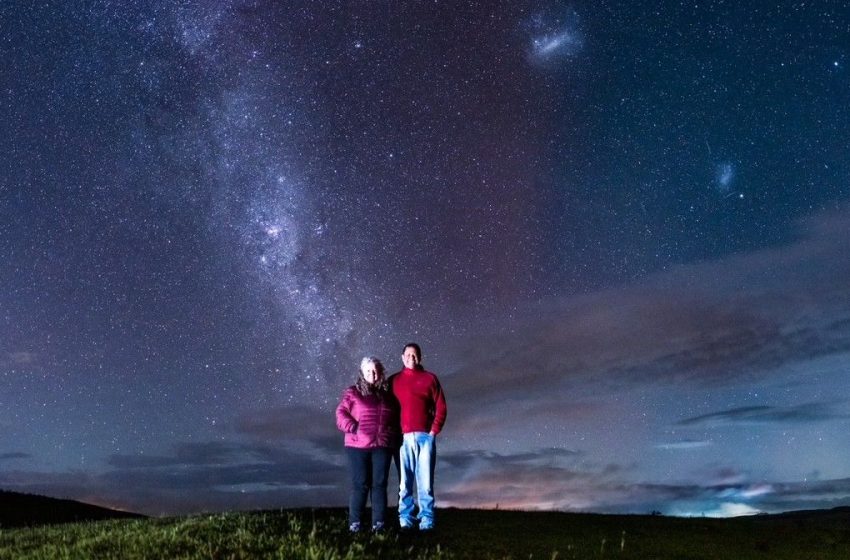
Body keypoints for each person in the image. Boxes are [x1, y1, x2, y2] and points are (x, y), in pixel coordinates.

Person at [336, 356, 400, 533]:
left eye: (376, 370)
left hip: (382, 446)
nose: (373, 374)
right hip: (358, 446)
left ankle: (378, 523)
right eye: (368, 371)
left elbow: (395, 418)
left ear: (381, 372)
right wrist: (353, 427)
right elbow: (341, 412)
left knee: (379, 485)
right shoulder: (353, 392)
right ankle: (355, 523)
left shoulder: (387, 395)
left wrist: (391, 436)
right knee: (361, 484)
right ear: (362, 373)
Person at [389, 342, 447, 531]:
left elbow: (441, 406)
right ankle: (405, 519)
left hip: (425, 437)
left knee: (425, 482)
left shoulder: (430, 379)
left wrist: (433, 431)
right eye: (407, 355)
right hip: (402, 438)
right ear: (402, 357)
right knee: (404, 483)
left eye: (414, 355)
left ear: (420, 358)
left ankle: (426, 520)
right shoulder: (393, 381)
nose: (411, 358)